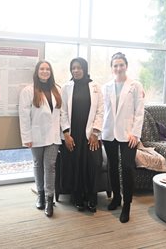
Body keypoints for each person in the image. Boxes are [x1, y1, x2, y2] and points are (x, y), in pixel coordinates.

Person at [102, 52, 145, 223]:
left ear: (126, 66)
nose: (118, 68)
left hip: (129, 135)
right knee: (112, 166)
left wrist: (136, 133)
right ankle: (116, 199)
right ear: (112, 68)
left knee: (127, 168)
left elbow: (139, 111)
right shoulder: (106, 87)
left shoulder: (135, 86)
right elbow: (103, 111)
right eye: (115, 65)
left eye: (121, 65)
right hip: (109, 133)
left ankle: (126, 205)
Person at [19, 60, 62, 217]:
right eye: (42, 69)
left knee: (50, 166)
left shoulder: (57, 90)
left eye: (47, 69)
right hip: (36, 135)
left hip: (53, 136)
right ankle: (40, 194)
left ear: (51, 72)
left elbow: (62, 114)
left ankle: (50, 199)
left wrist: (65, 133)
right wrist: (26, 137)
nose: (45, 71)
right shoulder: (28, 91)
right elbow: (24, 117)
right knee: (38, 164)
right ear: (37, 72)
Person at [60, 57, 104, 213]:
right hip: (73, 134)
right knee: (76, 166)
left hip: (91, 135)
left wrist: (95, 133)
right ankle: (78, 197)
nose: (76, 70)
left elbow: (100, 111)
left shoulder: (95, 87)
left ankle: (92, 198)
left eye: (79, 67)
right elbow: (63, 112)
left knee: (93, 165)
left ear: (84, 69)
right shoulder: (66, 87)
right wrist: (66, 134)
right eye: (73, 68)